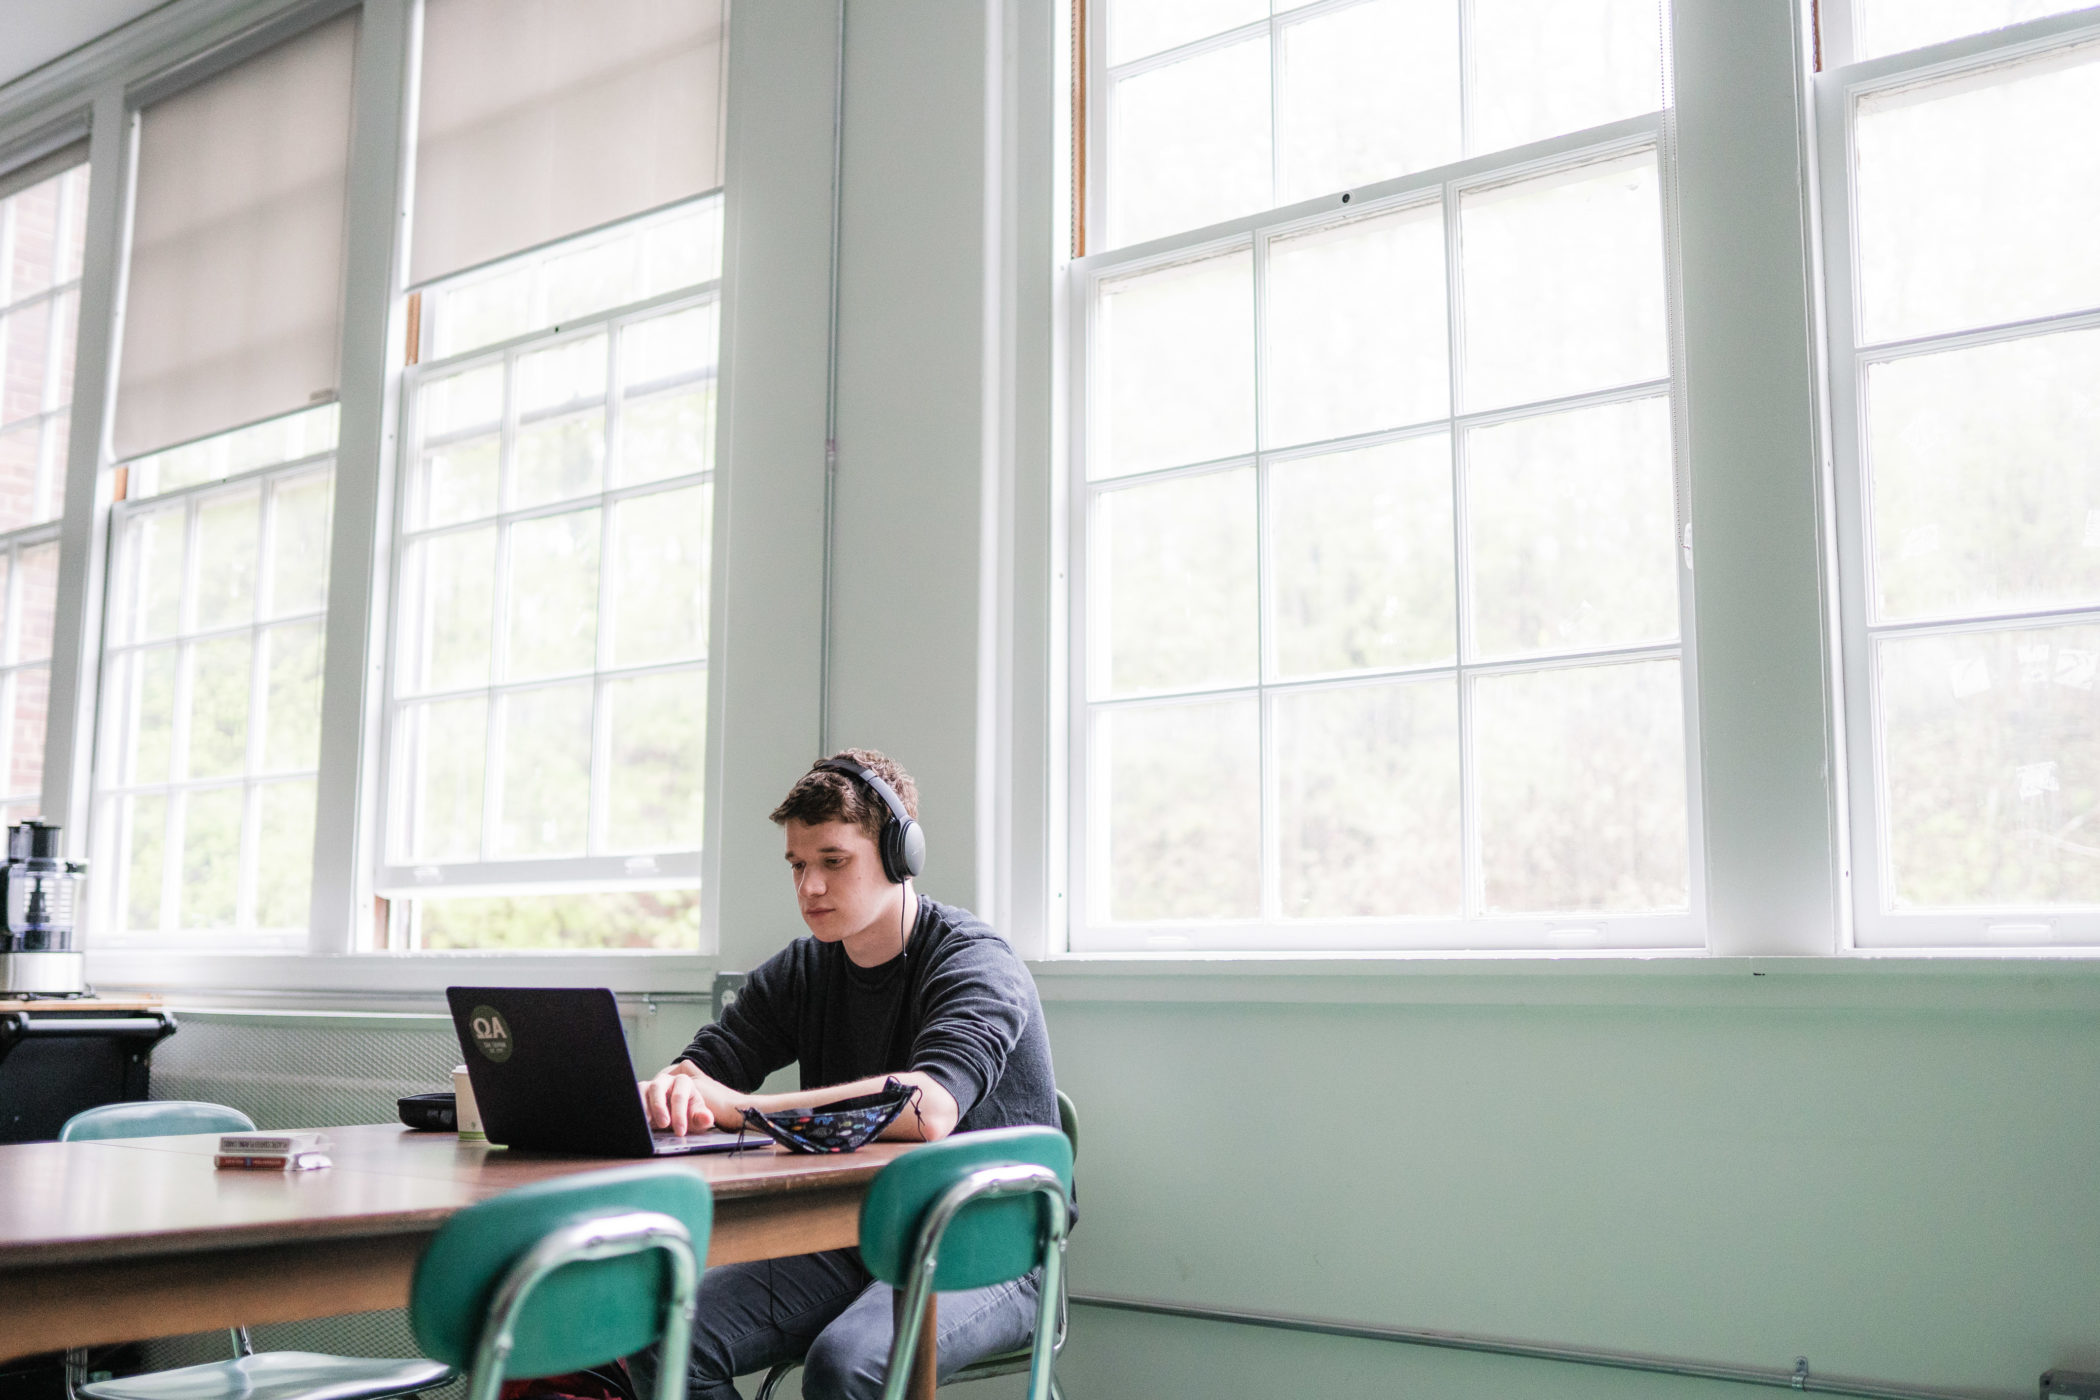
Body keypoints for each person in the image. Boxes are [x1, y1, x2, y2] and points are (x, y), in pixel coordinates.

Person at [633, 749, 1059, 1400]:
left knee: (844, 1365)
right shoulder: (805, 969)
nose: (810, 888)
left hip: (986, 1243)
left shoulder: (976, 962)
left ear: (899, 857)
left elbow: (929, 1107)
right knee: (661, 1338)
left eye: (834, 862)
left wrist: (741, 1112)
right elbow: (703, 1069)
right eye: (799, 866)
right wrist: (671, 1088)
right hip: (847, 1236)